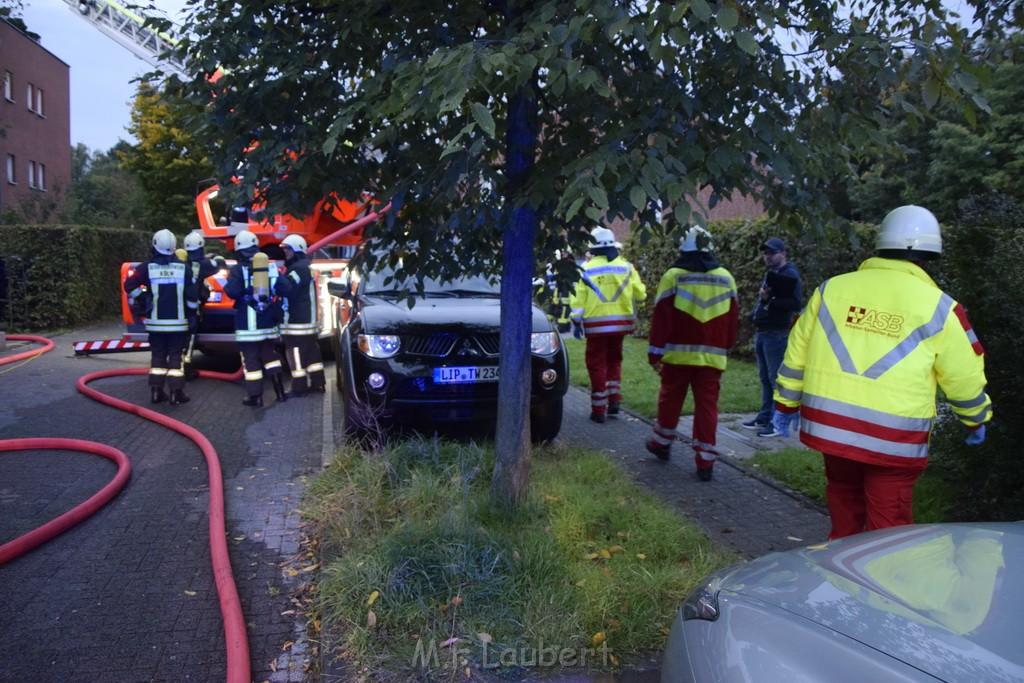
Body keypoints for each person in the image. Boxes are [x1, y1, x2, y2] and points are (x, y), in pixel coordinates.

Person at [772, 205, 993, 538]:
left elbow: (796, 353)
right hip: (894, 440)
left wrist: (784, 405)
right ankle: (881, 585)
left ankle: (838, 582)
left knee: (844, 511)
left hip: (833, 431)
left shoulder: (831, 290)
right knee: (887, 536)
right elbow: (963, 376)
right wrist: (975, 418)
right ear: (929, 258)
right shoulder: (942, 308)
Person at [645, 226, 739, 481]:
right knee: (707, 408)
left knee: (670, 401)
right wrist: (726, 348)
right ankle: (705, 461)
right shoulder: (726, 278)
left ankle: (661, 444)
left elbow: (661, 317)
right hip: (712, 359)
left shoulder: (673, 276)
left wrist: (655, 354)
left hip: (678, 357)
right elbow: (732, 320)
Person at [569, 227, 647, 423]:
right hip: (621, 325)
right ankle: (614, 402)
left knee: (596, 365)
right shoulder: (627, 267)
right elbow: (641, 294)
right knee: (614, 360)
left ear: (593, 247)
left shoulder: (585, 269)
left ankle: (598, 410)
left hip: (596, 327)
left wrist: (576, 321)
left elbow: (578, 301)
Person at [123, 228, 200, 406]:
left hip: (155, 324)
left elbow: (130, 285)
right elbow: (192, 296)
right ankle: (176, 393)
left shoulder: (146, 267)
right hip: (178, 325)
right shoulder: (184, 268)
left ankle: (156, 392)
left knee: (157, 356)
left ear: (154, 245)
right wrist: (191, 315)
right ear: (174, 247)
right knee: (175, 356)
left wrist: (142, 297)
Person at [742, 236, 802, 437]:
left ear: (783, 254)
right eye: (765, 253)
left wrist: (771, 300)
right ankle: (765, 416)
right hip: (764, 331)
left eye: (772, 253)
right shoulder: (773, 273)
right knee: (765, 378)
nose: (767, 256)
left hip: (776, 334)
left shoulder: (789, 274)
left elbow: (795, 304)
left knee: (775, 378)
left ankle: (777, 422)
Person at [222, 230, 288, 407]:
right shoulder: (271, 267)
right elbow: (285, 288)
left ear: (238, 250)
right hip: (267, 323)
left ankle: (255, 397)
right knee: (270, 356)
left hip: (247, 325)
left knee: (251, 361)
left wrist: (244, 293)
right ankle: (280, 391)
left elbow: (232, 291)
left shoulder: (237, 270)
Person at [273, 235, 326, 396]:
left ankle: (299, 387)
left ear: (297, 249)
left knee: (294, 353)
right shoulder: (303, 266)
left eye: (288, 249)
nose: (285, 252)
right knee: (311, 353)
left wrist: (274, 277)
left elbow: (287, 289)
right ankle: (318, 383)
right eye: (285, 249)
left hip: (297, 323)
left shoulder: (299, 269)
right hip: (306, 322)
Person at [181, 230, 227, 380]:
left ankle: (173, 368)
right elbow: (220, 263)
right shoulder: (201, 265)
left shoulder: (179, 264)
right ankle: (185, 370)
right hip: (191, 309)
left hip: (173, 307)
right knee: (189, 339)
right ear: (201, 248)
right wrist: (214, 255)